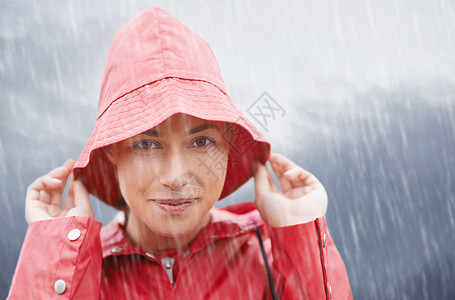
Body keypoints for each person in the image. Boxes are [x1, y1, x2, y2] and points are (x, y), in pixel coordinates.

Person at [8, 6, 352, 299]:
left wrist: (300, 236)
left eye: (201, 141)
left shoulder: (267, 254)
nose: (175, 177)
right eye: (146, 143)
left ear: (228, 145)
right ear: (111, 150)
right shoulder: (78, 271)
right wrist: (55, 252)